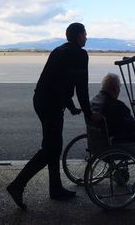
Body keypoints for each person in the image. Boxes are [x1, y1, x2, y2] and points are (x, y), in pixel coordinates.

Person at [7, 23, 100, 209]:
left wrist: (71, 106)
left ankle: (55, 188)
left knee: (53, 147)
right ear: (78, 36)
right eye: (85, 34)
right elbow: (81, 87)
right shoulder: (80, 54)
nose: (87, 38)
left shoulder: (59, 51)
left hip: (42, 101)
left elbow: (57, 82)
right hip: (51, 104)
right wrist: (88, 114)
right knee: (50, 148)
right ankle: (18, 185)